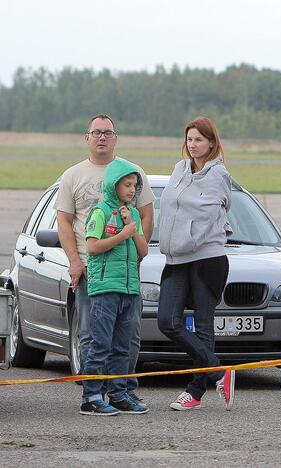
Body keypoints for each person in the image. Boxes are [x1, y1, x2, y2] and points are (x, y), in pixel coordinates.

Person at [55, 114, 154, 402]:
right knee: (91, 335)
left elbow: (146, 214)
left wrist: (136, 250)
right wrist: (74, 260)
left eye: (108, 132)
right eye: (96, 132)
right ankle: (94, 394)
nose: (102, 137)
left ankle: (124, 391)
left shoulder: (133, 172)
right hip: (91, 268)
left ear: (116, 137)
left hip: (125, 272)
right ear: (87, 137)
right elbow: (64, 221)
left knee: (129, 336)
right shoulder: (73, 175)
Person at [157, 116, 235, 411]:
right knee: (168, 321)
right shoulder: (178, 169)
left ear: (212, 143)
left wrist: (191, 237)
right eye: (189, 139)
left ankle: (195, 393)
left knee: (204, 328)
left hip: (206, 258)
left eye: (199, 140)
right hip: (175, 258)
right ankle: (219, 371)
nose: (193, 145)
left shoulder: (219, 176)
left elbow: (220, 209)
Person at [79, 161, 149, 416]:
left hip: (129, 289)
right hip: (105, 288)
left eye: (134, 185)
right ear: (113, 186)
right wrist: (122, 234)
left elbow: (143, 251)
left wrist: (132, 228)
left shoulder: (133, 215)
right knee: (101, 344)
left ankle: (119, 394)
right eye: (126, 185)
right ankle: (91, 396)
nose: (131, 190)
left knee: (122, 346)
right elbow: (93, 247)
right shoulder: (100, 212)